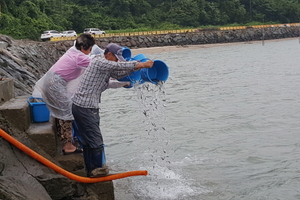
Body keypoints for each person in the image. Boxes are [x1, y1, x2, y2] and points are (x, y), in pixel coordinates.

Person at [71, 43, 154, 177]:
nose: (116, 61)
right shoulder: (100, 61)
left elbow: (118, 72)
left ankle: (91, 170)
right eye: (116, 58)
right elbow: (116, 66)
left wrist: (134, 70)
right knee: (96, 140)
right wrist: (142, 64)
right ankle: (98, 170)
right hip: (86, 107)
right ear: (109, 54)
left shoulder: (104, 64)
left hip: (81, 106)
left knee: (87, 141)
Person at [33, 33, 95, 154]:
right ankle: (68, 146)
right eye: (90, 49)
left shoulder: (73, 51)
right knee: (66, 112)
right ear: (83, 48)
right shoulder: (79, 57)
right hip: (55, 83)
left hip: (51, 81)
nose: (90, 52)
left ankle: (66, 140)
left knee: (62, 111)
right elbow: (97, 65)